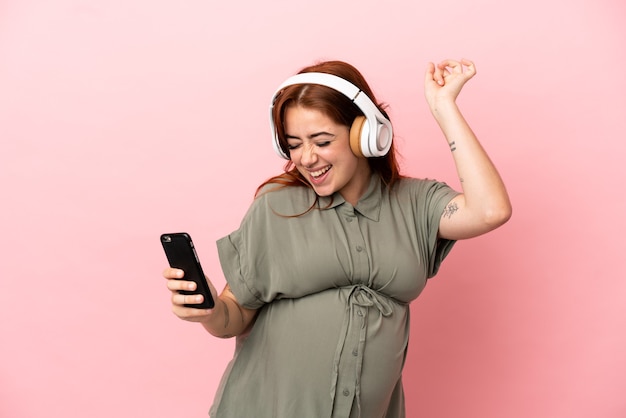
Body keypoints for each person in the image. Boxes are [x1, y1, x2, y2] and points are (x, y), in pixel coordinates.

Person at [163, 58, 512, 417]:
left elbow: (490, 211)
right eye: (294, 144)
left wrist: (444, 108)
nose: (307, 158)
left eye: (322, 140)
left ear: (366, 133)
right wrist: (208, 310)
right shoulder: (276, 207)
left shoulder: (416, 204)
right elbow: (233, 317)